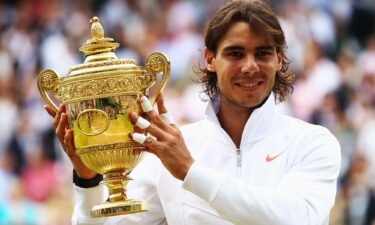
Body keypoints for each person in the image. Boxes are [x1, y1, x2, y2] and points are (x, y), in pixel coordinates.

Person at [44, 0, 341, 224]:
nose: (250, 66)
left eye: (262, 53)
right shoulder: (172, 150)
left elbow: (299, 218)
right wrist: (88, 180)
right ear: (210, 59)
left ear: (279, 59)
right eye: (235, 53)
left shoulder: (313, 142)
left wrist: (190, 171)